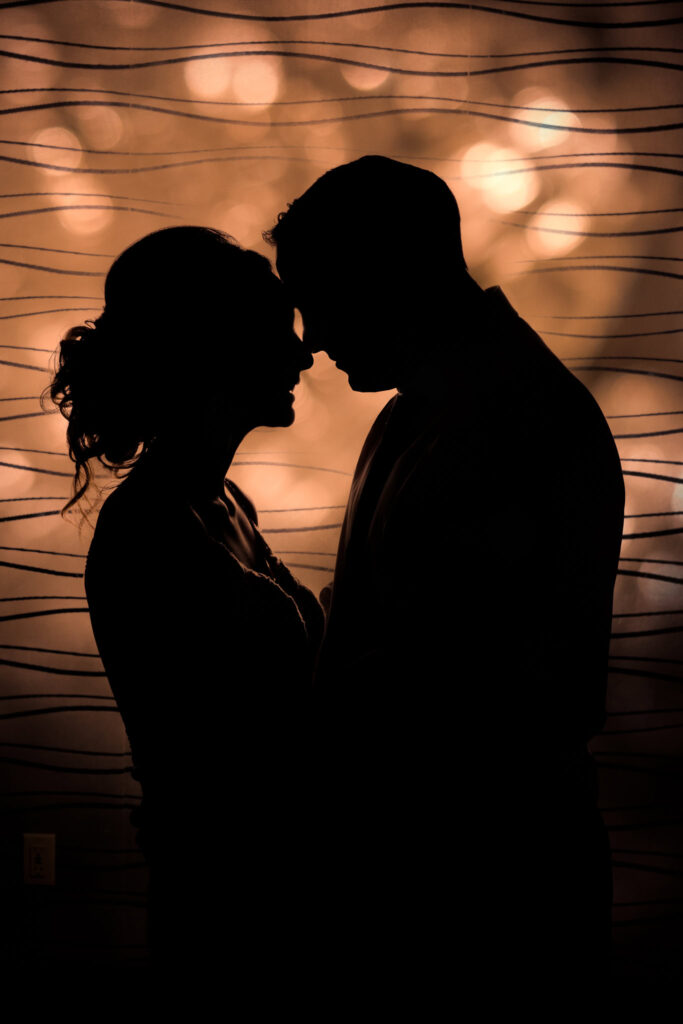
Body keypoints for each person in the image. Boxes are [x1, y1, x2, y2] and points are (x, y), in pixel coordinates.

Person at [266, 155, 625, 995]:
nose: (311, 338)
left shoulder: (520, 422)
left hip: (489, 894)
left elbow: (488, 684)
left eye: (318, 297)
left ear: (386, 276)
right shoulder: (426, 410)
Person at [46, 226, 324, 983]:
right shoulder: (148, 530)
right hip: (230, 911)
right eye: (279, 334)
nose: (304, 356)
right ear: (214, 349)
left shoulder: (226, 501)